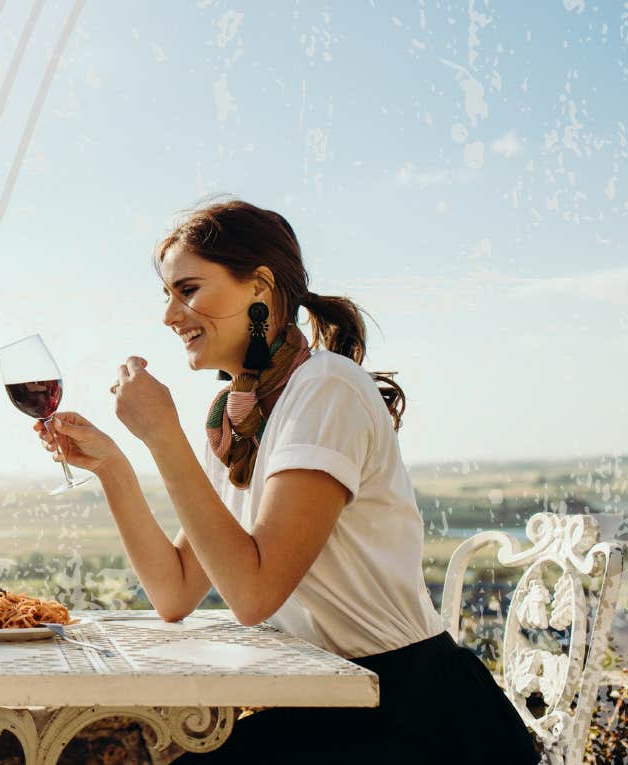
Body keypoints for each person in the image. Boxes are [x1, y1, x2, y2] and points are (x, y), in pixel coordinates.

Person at [35, 199, 537, 764]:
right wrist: (112, 466)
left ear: (260, 285)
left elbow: (253, 592)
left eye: (189, 289)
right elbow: (175, 591)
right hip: (328, 705)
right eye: (169, 295)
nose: (171, 316)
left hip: (412, 713)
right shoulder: (236, 416)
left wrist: (163, 437)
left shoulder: (326, 388)